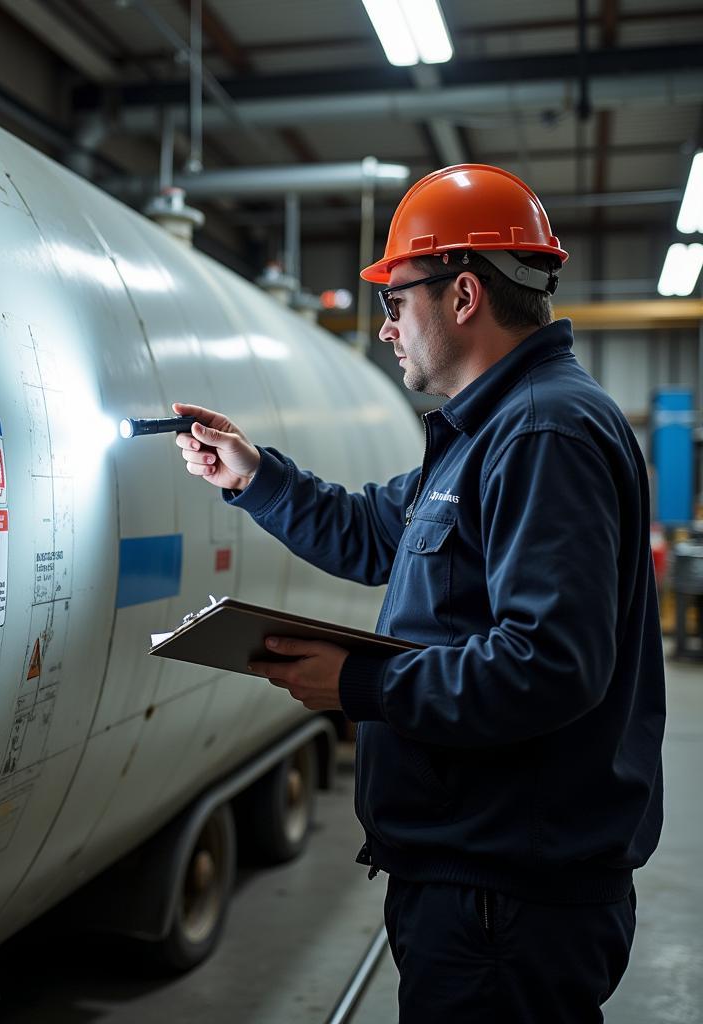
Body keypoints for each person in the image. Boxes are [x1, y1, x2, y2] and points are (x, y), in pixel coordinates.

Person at [173, 164, 664, 1023]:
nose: (386, 327)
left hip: (507, 893)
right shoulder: (488, 433)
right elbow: (372, 531)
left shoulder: (545, 431)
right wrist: (253, 478)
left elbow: (548, 664)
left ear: (464, 294)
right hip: (476, 876)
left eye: (397, 302)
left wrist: (358, 685)